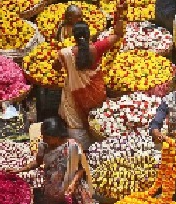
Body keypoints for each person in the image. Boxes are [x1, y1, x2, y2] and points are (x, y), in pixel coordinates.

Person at [53, 16, 125, 149]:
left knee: (76, 120)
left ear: (73, 36)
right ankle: (99, 143)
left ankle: (84, 149)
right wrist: (119, 14)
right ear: (88, 35)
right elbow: (118, 34)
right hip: (95, 92)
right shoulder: (97, 48)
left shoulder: (65, 53)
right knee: (97, 118)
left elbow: (55, 67)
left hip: (75, 93)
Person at [13, 117, 96, 204]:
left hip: (71, 188)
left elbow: (82, 168)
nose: (43, 139)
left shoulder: (73, 147)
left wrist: (73, 183)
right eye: (43, 135)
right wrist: (20, 170)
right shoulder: (43, 146)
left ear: (57, 136)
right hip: (52, 188)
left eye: (47, 137)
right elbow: (38, 162)